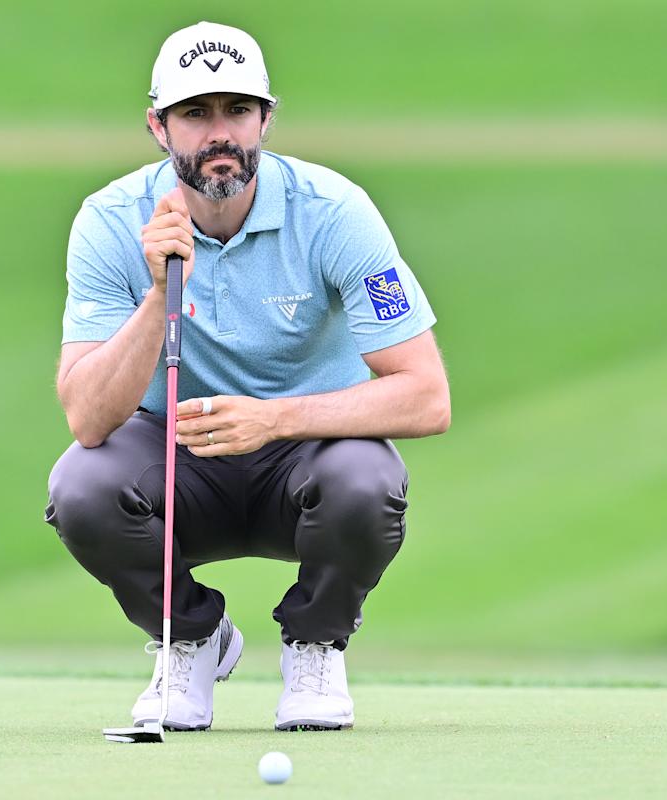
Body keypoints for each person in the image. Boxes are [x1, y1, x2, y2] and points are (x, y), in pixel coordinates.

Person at [44, 20, 450, 732]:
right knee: (81, 486)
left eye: (236, 110)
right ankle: (192, 639)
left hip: (304, 460)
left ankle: (315, 644)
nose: (219, 133)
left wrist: (278, 418)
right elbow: (87, 416)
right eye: (195, 114)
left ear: (266, 118)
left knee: (367, 480)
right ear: (157, 127)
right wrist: (157, 298)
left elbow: (426, 395)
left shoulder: (333, 212)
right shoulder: (111, 221)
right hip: (177, 457)